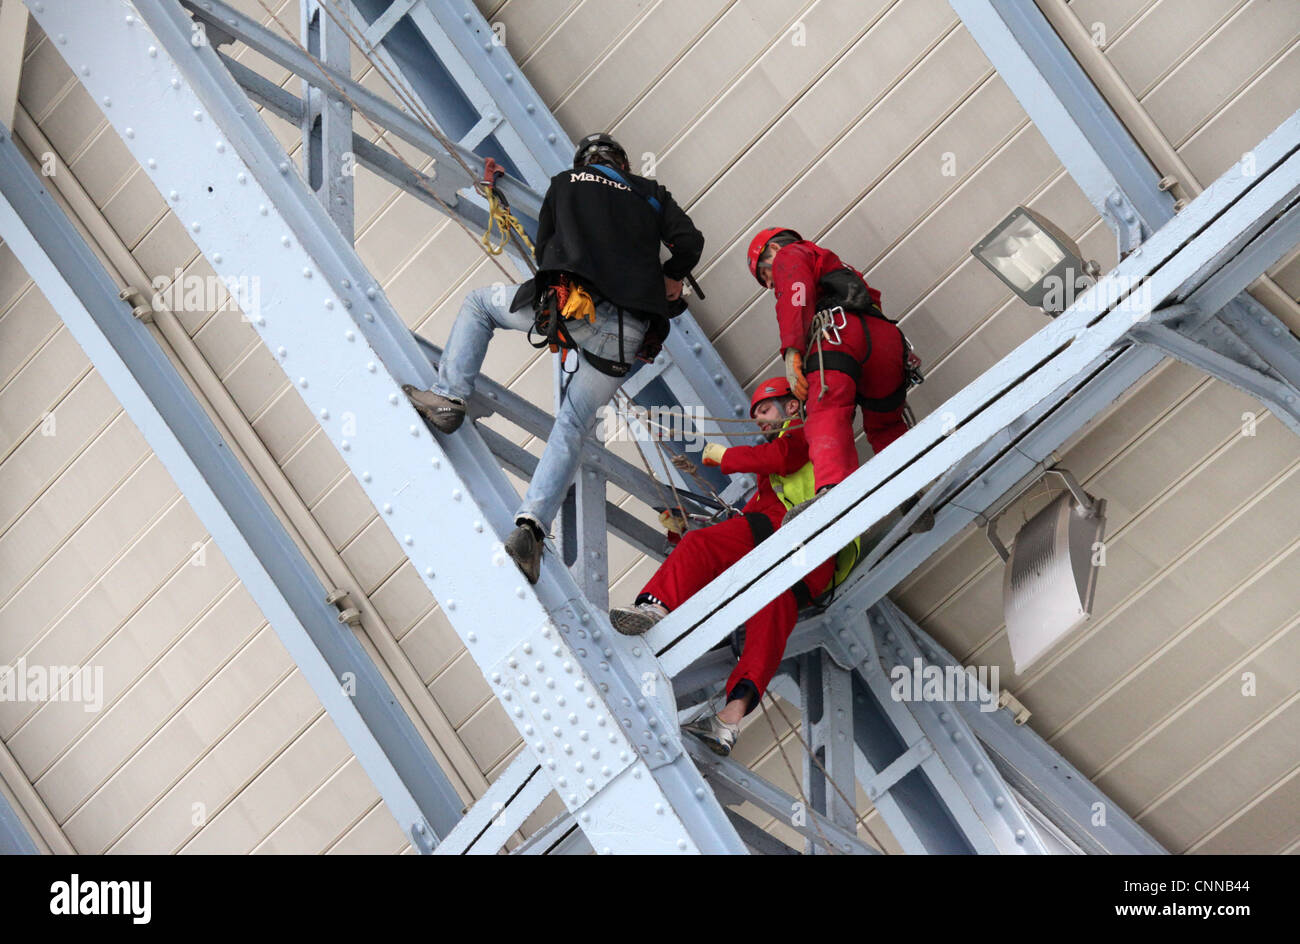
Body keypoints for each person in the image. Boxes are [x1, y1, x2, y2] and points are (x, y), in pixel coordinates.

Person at [405, 133, 704, 582]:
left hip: (573, 303)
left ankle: (448, 397)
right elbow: (690, 241)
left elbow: (547, 250)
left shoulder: (566, 181)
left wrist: (553, 313)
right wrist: (671, 276)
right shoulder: (651, 193)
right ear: (622, 164)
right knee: (572, 426)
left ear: (586, 160)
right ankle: (531, 529)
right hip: (628, 335)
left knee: (480, 305)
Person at [608, 378, 839, 756]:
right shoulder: (798, 457)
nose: (759, 419)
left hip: (781, 533)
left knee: (699, 546)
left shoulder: (805, 432)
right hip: (810, 571)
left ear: (791, 406)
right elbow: (752, 510)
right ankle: (728, 721)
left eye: (764, 410)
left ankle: (655, 606)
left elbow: (780, 458)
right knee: (767, 632)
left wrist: (721, 456)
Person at [746, 228, 922, 525]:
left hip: (840, 333)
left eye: (766, 276)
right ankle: (912, 493)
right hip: (884, 338)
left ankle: (833, 491)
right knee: (886, 424)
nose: (770, 281)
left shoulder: (789, 255)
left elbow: (796, 291)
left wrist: (792, 350)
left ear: (774, 250)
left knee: (825, 412)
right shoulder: (837, 265)